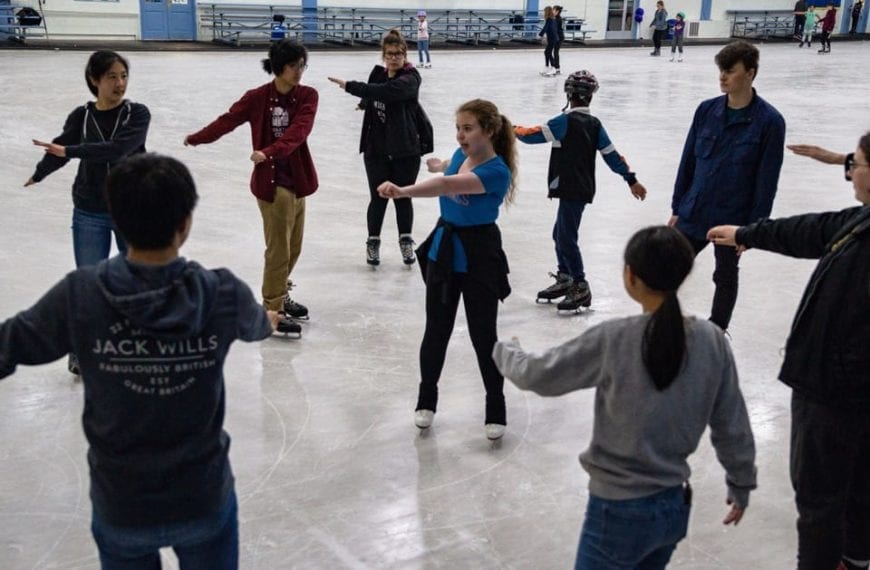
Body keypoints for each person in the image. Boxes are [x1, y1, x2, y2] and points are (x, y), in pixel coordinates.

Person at [0, 153, 281, 569]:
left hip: (122, 505)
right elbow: (258, 326)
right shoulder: (221, 292)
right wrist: (269, 319)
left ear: (117, 221)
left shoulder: (82, 294)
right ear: (184, 224)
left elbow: (9, 344)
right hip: (200, 498)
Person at [493, 225, 757, 569]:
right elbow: (731, 422)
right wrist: (741, 483)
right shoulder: (712, 340)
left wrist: (507, 351)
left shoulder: (616, 339)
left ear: (630, 276)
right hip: (673, 508)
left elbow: (540, 375)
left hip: (616, 513)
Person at [707, 132, 870, 570]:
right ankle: (854, 558)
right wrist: (747, 233)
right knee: (855, 492)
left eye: (857, 163)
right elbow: (809, 230)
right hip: (836, 388)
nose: (850, 171)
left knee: (821, 501)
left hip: (835, 393)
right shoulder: (860, 222)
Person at [377, 99, 517, 441]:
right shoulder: (462, 156)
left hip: (480, 253)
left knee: (484, 335)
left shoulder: (497, 172)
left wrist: (403, 191)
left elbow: (448, 186)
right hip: (445, 250)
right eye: (458, 128)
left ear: (489, 131)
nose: (460, 135)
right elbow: (448, 172)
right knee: (436, 329)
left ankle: (495, 406)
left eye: (467, 129)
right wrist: (441, 164)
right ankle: (427, 400)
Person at [25, 50, 150, 375]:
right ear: (94, 80)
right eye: (111, 77)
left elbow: (118, 149)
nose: (120, 83)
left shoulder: (137, 115)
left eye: (123, 76)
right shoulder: (81, 116)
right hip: (89, 209)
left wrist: (71, 150)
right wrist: (41, 172)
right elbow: (60, 147)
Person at [185, 39, 317, 333]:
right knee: (279, 249)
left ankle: (280, 293)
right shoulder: (257, 97)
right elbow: (228, 120)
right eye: (293, 66)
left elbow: (299, 132)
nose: (299, 71)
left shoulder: (308, 96)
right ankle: (271, 309)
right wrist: (198, 137)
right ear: (278, 67)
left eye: (301, 65)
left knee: (293, 247)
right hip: (272, 185)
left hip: (297, 180)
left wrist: (268, 151)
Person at [669, 40, 786, 333]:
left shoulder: (770, 122)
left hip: (732, 218)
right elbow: (688, 162)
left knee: (725, 276)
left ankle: (718, 331)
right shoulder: (706, 111)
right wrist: (677, 207)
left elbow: (766, 180)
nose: (722, 77)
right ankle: (663, 324)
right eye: (721, 70)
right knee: (667, 270)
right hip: (694, 210)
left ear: (750, 73)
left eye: (730, 71)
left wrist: (754, 228)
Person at [514, 70, 647, 312]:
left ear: (568, 94)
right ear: (591, 97)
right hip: (581, 186)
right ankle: (566, 277)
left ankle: (580, 283)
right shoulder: (595, 124)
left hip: (570, 187)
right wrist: (631, 179)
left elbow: (530, 136)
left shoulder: (563, 121)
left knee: (566, 236)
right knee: (560, 233)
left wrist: (508, 127)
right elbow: (612, 155)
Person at [328, 29, 425, 267]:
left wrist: (350, 86)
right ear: (383, 55)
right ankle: (373, 242)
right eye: (390, 54)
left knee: (403, 196)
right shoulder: (378, 73)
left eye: (398, 54)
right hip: (376, 149)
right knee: (378, 197)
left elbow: (387, 92)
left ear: (405, 55)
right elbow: (374, 91)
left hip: (405, 149)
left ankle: (405, 241)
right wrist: (363, 103)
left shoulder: (411, 78)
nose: (394, 58)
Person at [539, 6, 560, 76]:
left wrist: (540, 34)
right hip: (553, 38)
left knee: (548, 52)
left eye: (545, 11)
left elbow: (545, 27)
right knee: (547, 52)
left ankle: (553, 68)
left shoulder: (549, 19)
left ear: (547, 12)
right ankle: (547, 67)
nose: (544, 13)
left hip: (553, 38)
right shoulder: (552, 19)